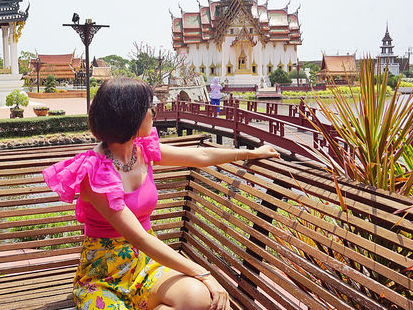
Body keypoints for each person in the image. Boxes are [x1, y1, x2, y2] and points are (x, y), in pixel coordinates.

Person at [43, 77, 279, 310]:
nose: (153, 114)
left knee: (197, 298)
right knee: (202, 290)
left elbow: (201, 156)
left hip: (146, 263)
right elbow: (138, 238)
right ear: (130, 117)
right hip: (106, 273)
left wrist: (250, 153)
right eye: (149, 108)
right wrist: (204, 273)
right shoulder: (94, 173)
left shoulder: (143, 150)